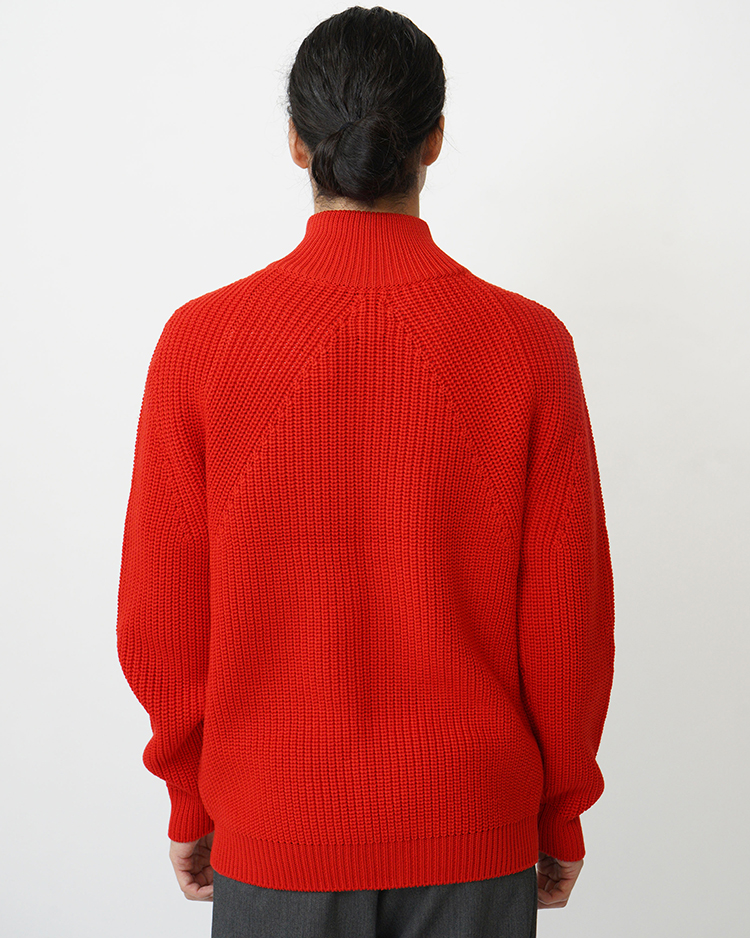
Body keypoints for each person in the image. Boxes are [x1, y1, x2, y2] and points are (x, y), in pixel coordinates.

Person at [116, 6, 615, 937]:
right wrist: (560, 812)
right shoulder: (527, 345)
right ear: (434, 139)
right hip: (473, 828)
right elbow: (567, 621)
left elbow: (161, 614)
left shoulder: (202, 343)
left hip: (276, 825)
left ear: (296, 143)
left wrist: (190, 798)